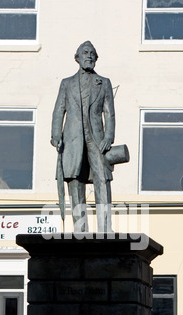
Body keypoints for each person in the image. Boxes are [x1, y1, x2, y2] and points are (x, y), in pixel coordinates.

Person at [51, 41, 115, 232]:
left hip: (96, 139)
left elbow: (109, 113)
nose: (89, 56)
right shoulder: (66, 83)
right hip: (72, 139)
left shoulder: (104, 83)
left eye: (92, 53)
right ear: (77, 58)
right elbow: (58, 111)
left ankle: (105, 228)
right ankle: (80, 229)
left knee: (102, 180)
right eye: (85, 53)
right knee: (75, 181)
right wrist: (56, 135)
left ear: (96, 58)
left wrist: (109, 137)